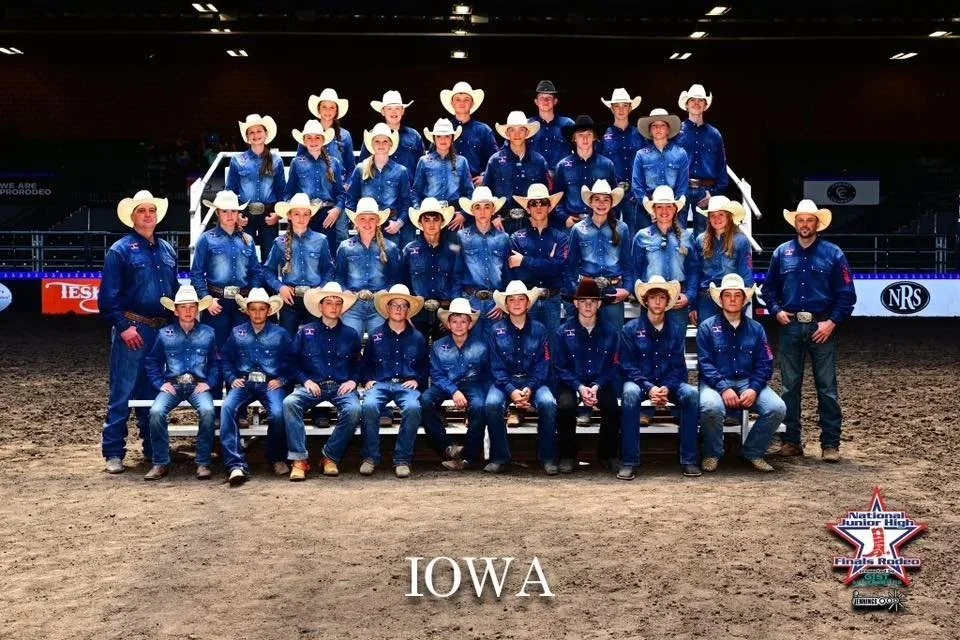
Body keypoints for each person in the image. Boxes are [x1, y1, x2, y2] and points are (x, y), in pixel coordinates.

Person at [763, 199, 857, 462]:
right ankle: (791, 441)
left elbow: (847, 294)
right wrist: (776, 310)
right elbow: (769, 288)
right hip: (791, 326)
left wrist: (832, 322)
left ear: (818, 224)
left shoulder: (833, 254)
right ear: (796, 223)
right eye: (801, 220)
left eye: (809, 220)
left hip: (821, 326)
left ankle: (831, 444)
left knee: (827, 388)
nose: (805, 224)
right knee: (789, 387)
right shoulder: (781, 253)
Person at [99, 190, 180, 474]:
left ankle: (153, 448)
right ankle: (113, 452)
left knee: (154, 390)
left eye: (151, 210)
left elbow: (174, 291)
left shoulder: (167, 250)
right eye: (142, 211)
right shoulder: (120, 250)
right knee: (123, 391)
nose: (147, 215)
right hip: (134, 328)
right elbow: (108, 297)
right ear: (132, 217)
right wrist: (123, 327)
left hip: (161, 330)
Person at [698, 274, 786, 473]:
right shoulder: (707, 327)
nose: (732, 299)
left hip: (748, 381)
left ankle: (752, 452)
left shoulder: (756, 329)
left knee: (777, 408)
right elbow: (705, 364)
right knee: (710, 406)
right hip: (716, 382)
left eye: (737, 295)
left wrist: (754, 389)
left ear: (745, 300)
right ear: (720, 300)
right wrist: (724, 388)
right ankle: (712, 453)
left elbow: (765, 363)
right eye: (727, 295)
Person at [619, 276, 700, 479]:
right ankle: (629, 461)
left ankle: (689, 459)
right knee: (629, 394)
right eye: (653, 297)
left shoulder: (676, 330)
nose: (657, 301)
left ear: (667, 302)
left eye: (662, 297)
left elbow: (679, 368)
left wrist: (666, 388)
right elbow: (627, 366)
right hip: (640, 382)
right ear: (645, 301)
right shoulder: (630, 329)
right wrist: (649, 388)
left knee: (691, 394)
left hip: (667, 383)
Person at [283, 283, 363, 481]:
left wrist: (353, 381)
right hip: (314, 385)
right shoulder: (306, 332)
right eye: (329, 302)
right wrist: (305, 381)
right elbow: (291, 363)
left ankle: (330, 456)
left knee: (354, 410)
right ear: (320, 306)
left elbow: (359, 364)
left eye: (338, 303)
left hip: (341, 387)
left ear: (342, 307)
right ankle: (299, 460)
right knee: (290, 403)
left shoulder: (351, 334)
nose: (333, 307)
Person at [143, 286, 218, 481]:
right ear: (175, 311)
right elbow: (152, 361)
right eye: (183, 307)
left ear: (198, 309)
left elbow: (216, 362)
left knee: (208, 411)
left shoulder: (209, 333)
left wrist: (208, 383)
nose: (188, 311)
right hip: (173, 385)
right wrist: (160, 383)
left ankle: (203, 462)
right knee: (156, 412)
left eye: (192, 307)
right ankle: (160, 462)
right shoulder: (164, 334)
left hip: (197, 385)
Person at [219, 288, 293, 485]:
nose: (258, 313)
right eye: (253, 309)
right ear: (247, 311)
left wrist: (282, 380)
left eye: (262, 309)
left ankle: (276, 456)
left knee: (278, 413)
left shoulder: (281, 334)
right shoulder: (237, 332)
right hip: (244, 382)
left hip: (270, 383)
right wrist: (232, 377)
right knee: (227, 408)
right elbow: (226, 358)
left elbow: (292, 361)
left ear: (269, 311)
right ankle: (235, 464)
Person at [419, 298, 499, 470]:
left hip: (473, 383)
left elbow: (488, 374)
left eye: (463, 321)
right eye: (454, 321)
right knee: (424, 401)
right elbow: (437, 374)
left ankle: (470, 457)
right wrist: (454, 391)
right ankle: (447, 447)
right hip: (445, 383)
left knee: (479, 406)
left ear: (470, 324)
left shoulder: (482, 346)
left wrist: (484, 391)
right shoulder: (438, 346)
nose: (459, 325)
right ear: (448, 324)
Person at [358, 285, 429, 478]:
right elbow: (365, 363)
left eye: (403, 305)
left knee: (413, 408)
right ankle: (370, 457)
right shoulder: (376, 335)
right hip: (380, 384)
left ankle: (402, 459)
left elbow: (425, 365)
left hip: (406, 385)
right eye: (394, 305)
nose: (398, 309)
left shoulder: (417, 337)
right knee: (369, 406)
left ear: (408, 311)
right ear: (387, 309)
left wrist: (417, 379)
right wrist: (367, 379)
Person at [487, 281, 557, 474]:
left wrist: (530, 387)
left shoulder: (540, 330)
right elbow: (496, 366)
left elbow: (543, 364)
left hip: (534, 381)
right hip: (504, 382)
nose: (516, 303)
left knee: (548, 403)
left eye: (521, 299)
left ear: (528, 303)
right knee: (492, 404)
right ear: (506, 304)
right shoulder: (495, 330)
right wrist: (511, 390)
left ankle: (547, 457)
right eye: (512, 300)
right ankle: (499, 457)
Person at [553, 278, 621, 474]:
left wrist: (597, 386)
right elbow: (560, 367)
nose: (588, 305)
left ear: (599, 304)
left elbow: (613, 365)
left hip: (600, 381)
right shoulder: (563, 331)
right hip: (572, 381)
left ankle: (608, 454)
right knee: (565, 406)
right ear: (576, 303)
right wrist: (580, 387)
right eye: (583, 301)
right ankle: (567, 455)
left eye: (593, 301)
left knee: (612, 407)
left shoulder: (611, 332)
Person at [190, 190, 263, 368]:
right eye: (224, 211)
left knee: (242, 352)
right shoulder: (206, 239)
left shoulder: (248, 240)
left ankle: (237, 385)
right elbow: (197, 273)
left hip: (241, 303)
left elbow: (256, 272)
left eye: (233, 211)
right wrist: (207, 299)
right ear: (217, 213)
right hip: (217, 302)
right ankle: (214, 385)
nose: (229, 215)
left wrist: (250, 299)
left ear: (238, 213)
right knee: (216, 353)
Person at [263, 193, 335, 336]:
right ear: (289, 215)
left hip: (313, 297)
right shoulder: (279, 242)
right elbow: (267, 270)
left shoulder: (321, 240)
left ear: (310, 216)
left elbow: (329, 269)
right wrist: (280, 287)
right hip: (290, 299)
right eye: (297, 214)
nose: (301, 218)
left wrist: (321, 288)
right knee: (287, 340)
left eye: (305, 214)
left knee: (313, 340)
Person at [565, 179, 632, 329]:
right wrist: (576, 292)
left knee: (614, 335)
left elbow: (627, 263)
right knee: (585, 334)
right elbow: (570, 266)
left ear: (612, 203)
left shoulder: (622, 228)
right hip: (587, 290)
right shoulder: (578, 229)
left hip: (613, 290)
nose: (601, 203)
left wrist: (627, 289)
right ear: (590, 202)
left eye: (606, 199)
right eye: (597, 199)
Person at [508, 183, 568, 350]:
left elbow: (559, 268)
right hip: (528, 302)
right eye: (534, 203)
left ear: (550, 207)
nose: (539, 207)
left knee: (554, 349)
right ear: (528, 209)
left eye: (543, 203)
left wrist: (525, 261)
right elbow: (520, 275)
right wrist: (548, 264)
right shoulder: (516, 238)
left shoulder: (560, 237)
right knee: (528, 348)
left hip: (552, 300)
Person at [631, 185, 698, 326]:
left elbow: (693, 270)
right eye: (659, 207)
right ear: (653, 210)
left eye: (668, 207)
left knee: (677, 339)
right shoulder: (642, 236)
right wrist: (641, 295)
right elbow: (635, 270)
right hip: (651, 299)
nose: (664, 211)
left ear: (675, 210)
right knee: (650, 338)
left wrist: (689, 296)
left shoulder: (686, 237)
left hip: (678, 298)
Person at [335, 197, 401, 337]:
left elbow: (395, 278)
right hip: (353, 305)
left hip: (379, 305)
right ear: (356, 222)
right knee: (350, 342)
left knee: (380, 344)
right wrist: (345, 291)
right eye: (362, 219)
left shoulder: (390, 248)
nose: (367, 223)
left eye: (372, 219)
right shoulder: (345, 247)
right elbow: (339, 277)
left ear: (378, 221)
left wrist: (386, 291)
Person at [226, 114, 287, 260]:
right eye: (251, 132)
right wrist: (236, 215)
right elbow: (230, 191)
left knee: (270, 257)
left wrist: (278, 214)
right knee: (244, 255)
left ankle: (268, 277)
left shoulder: (276, 161)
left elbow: (281, 190)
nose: (255, 135)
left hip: (269, 214)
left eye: (259, 131)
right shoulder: (237, 160)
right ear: (247, 137)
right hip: (245, 215)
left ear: (266, 134)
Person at [346, 122, 415, 250]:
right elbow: (351, 199)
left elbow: (406, 202)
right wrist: (357, 222)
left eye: (385, 141)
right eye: (377, 141)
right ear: (372, 145)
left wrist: (399, 223)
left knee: (391, 259)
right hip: (366, 227)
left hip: (391, 227)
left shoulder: (401, 171)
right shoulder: (361, 169)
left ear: (390, 144)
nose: (381, 144)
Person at [400, 198, 461, 341]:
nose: (431, 224)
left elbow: (458, 282)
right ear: (420, 223)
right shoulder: (409, 250)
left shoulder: (453, 251)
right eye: (426, 220)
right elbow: (402, 283)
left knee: (443, 352)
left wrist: (453, 313)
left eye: (436, 219)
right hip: (416, 313)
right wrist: (406, 315)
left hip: (445, 313)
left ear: (442, 222)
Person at [454, 187, 511, 332]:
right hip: (471, 302)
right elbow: (456, 272)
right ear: (472, 211)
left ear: (493, 210)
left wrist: (503, 302)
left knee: (496, 342)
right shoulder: (462, 237)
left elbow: (508, 274)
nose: (482, 211)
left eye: (487, 207)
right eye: (478, 207)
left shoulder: (503, 238)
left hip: (496, 304)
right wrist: (461, 303)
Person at [676, 84, 729, 237]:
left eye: (701, 100)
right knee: (679, 237)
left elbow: (721, 166)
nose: (696, 103)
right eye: (693, 100)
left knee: (705, 238)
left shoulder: (714, 135)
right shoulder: (676, 132)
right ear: (686, 104)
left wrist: (713, 193)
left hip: (706, 191)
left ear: (705, 106)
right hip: (681, 189)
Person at [484, 111, 549, 235]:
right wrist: (493, 217)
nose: (517, 134)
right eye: (512, 130)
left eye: (521, 130)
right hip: (502, 222)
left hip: (531, 221)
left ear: (527, 133)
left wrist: (540, 218)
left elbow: (547, 194)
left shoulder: (539, 161)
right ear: (507, 133)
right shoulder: (495, 161)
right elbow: (486, 192)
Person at [285, 119, 347, 248]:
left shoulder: (334, 163)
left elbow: (340, 193)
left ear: (323, 140)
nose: (313, 141)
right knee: (306, 249)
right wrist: (292, 212)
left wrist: (337, 210)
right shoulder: (297, 163)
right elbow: (288, 192)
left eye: (317, 137)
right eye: (309, 138)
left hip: (328, 214)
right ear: (304, 141)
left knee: (328, 251)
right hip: (305, 214)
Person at [693, 195, 752, 324]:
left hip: (731, 297)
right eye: (712, 215)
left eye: (721, 214)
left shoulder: (741, 241)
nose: (717, 219)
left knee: (732, 334)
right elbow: (696, 273)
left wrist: (744, 301)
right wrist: (693, 306)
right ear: (708, 218)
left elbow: (746, 273)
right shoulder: (700, 240)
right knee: (707, 333)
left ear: (729, 217)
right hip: (706, 297)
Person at [553, 115, 617, 229]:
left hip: (600, 222)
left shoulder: (607, 165)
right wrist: (565, 218)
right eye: (580, 135)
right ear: (574, 139)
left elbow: (614, 198)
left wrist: (608, 219)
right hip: (573, 223)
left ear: (594, 137)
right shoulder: (563, 166)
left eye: (589, 134)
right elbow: (557, 199)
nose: (585, 139)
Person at [412, 118, 473, 232]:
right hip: (430, 214)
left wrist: (463, 214)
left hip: (455, 215)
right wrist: (420, 212)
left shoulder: (461, 161)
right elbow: (416, 191)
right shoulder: (424, 161)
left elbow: (469, 191)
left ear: (452, 138)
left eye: (447, 136)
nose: (443, 140)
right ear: (434, 139)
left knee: (454, 243)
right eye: (439, 136)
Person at [600, 88, 645, 238]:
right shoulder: (603, 135)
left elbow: (645, 165)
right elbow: (599, 165)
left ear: (630, 108)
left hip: (633, 193)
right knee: (609, 234)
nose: (621, 109)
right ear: (611, 108)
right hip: (611, 193)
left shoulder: (640, 135)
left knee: (632, 235)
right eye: (617, 106)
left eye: (624, 105)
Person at [632, 108, 690, 226]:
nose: (658, 128)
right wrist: (650, 209)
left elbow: (682, 185)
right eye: (654, 125)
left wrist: (673, 209)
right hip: (646, 207)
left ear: (668, 130)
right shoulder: (641, 155)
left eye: (662, 125)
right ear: (650, 131)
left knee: (677, 237)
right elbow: (637, 185)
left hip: (673, 206)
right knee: (645, 237)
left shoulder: (680, 153)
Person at [359, 90, 423, 187]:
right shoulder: (372, 136)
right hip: (380, 191)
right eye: (389, 109)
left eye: (397, 108)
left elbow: (422, 167)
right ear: (383, 112)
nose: (394, 112)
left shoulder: (414, 136)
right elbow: (363, 165)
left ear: (402, 111)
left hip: (409, 190)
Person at [440, 81, 498, 186]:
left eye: (466, 99)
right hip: (448, 187)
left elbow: (495, 160)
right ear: (452, 103)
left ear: (472, 103)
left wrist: (485, 176)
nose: (462, 103)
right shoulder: (442, 129)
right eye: (457, 99)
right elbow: (432, 158)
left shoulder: (484, 131)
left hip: (476, 187)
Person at [527, 80, 574, 184]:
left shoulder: (568, 124)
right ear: (536, 102)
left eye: (549, 98)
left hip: (562, 180)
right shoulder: (527, 126)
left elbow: (580, 150)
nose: (545, 101)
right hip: (533, 180)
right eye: (541, 98)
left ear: (555, 101)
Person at [306, 88, 355, 186]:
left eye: (332, 107)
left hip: (339, 186)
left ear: (336, 111)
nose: (328, 111)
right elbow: (300, 162)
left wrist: (347, 185)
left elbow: (350, 166)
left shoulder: (345, 135)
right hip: (313, 186)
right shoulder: (308, 133)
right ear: (319, 109)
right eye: (324, 107)